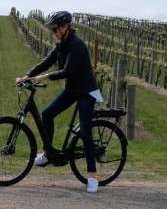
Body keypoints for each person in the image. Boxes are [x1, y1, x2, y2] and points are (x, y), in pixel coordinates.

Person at [16, 11, 104, 193]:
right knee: (47, 114)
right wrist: (27, 76)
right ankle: (49, 153)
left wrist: (41, 78)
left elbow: (66, 72)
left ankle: (92, 176)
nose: (54, 32)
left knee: (86, 132)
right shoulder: (61, 45)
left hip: (86, 92)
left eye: (56, 28)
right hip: (72, 90)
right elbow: (45, 63)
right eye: (52, 29)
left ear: (65, 27)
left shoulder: (77, 46)